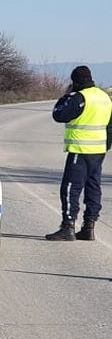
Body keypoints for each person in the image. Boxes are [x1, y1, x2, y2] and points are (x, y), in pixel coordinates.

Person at [46, 65, 112, 241]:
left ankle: (68, 226)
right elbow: (110, 125)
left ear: (75, 81)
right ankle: (89, 226)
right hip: (98, 151)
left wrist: (66, 96)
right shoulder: (104, 97)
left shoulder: (80, 98)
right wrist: (106, 146)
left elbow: (59, 115)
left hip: (80, 150)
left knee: (70, 188)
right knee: (93, 188)